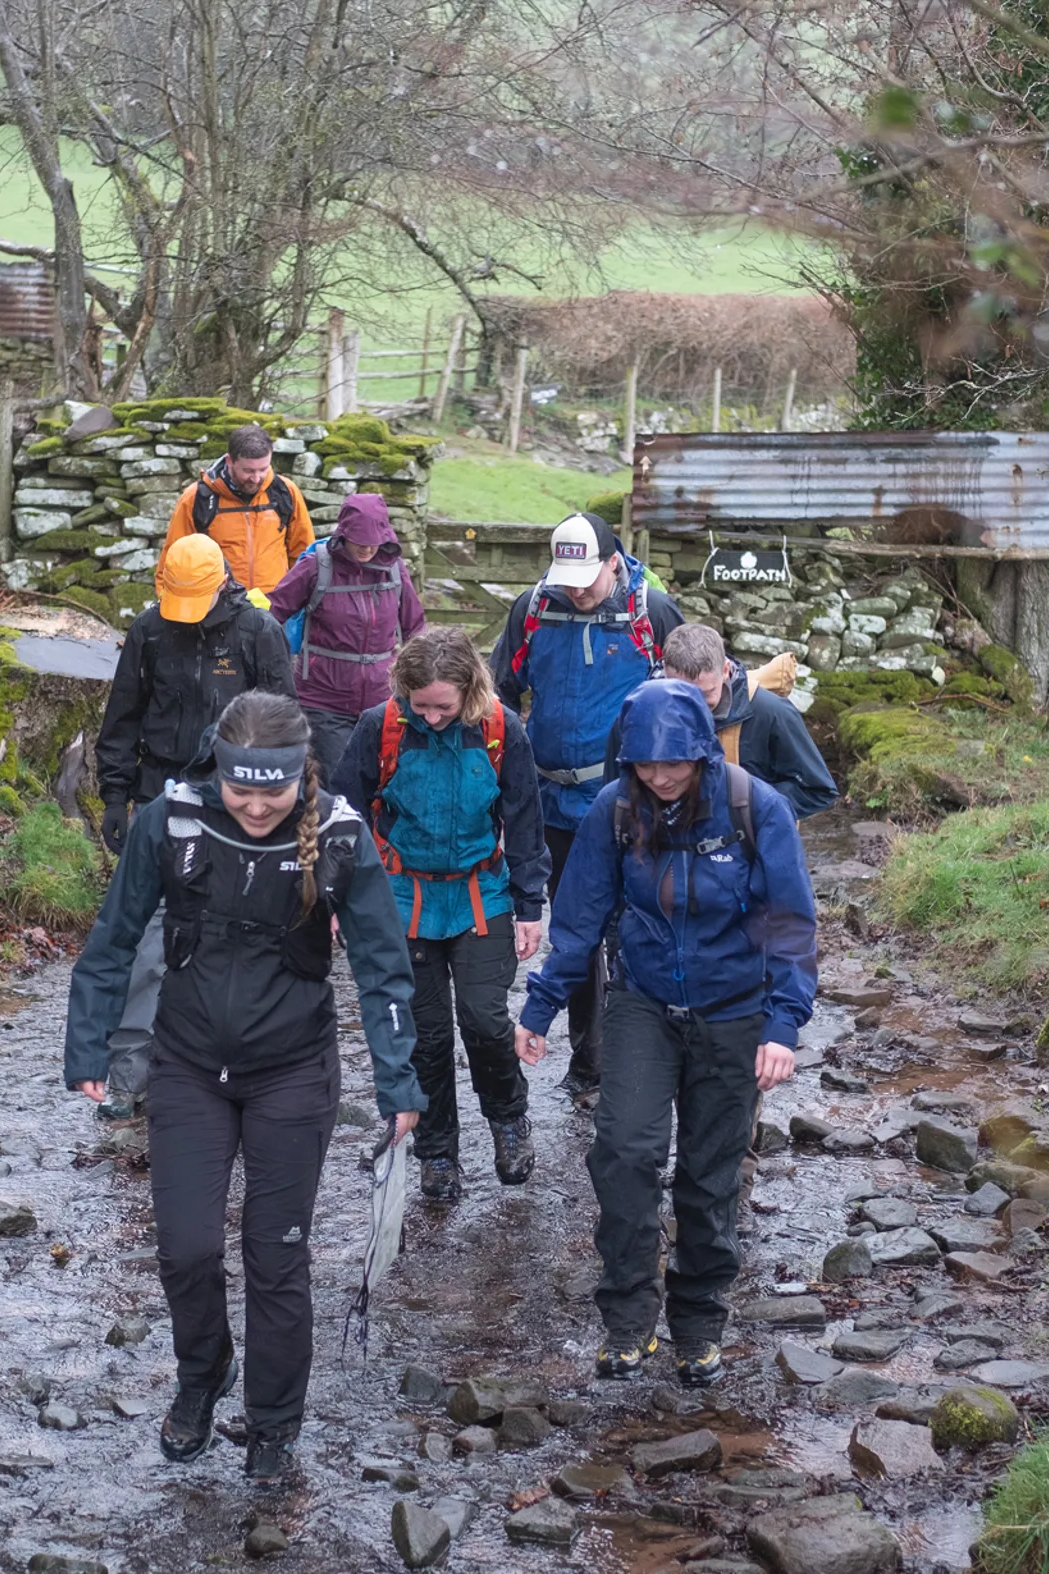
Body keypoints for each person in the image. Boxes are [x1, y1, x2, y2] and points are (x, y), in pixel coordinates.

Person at [65, 692, 425, 1483]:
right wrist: (87, 1044)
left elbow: (382, 967)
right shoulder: (173, 821)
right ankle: (203, 1375)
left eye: (275, 790)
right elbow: (114, 938)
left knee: (276, 1255)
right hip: (189, 1064)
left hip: (292, 1071)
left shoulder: (337, 836)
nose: (258, 806)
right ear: (218, 771)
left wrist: (400, 1084)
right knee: (187, 1249)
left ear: (304, 774)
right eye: (242, 789)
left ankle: (272, 1422)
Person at [514, 680, 817, 1388]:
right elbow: (580, 916)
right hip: (644, 1004)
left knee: (710, 1179)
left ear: (703, 752)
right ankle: (626, 1320)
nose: (660, 777)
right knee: (624, 1153)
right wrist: (539, 1009)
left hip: (736, 1012)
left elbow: (792, 925)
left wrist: (783, 1025)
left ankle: (699, 1324)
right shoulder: (614, 810)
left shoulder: (754, 809)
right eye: (646, 766)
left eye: (673, 764)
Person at [333, 626, 550, 1206]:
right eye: (419, 705)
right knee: (424, 1035)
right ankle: (436, 1153)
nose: (430, 717)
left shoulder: (504, 730)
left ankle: (508, 1120)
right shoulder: (378, 728)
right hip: (402, 898)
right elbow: (344, 816)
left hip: (483, 894)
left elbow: (525, 819)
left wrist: (531, 907)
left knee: (483, 1019)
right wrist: (339, 897)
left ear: (470, 692)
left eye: (443, 707)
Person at [92, 535, 295, 1118]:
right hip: (159, 798)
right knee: (149, 942)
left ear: (221, 585)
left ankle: (225, 1074)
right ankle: (129, 1075)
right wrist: (114, 796)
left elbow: (286, 725)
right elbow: (123, 717)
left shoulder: (259, 633)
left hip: (240, 806)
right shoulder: (149, 631)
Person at [490, 511, 683, 1105]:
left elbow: (683, 694)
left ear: (612, 561)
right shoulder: (534, 608)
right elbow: (500, 690)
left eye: (586, 576)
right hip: (550, 801)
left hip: (627, 803)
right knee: (576, 931)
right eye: (565, 575)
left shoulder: (650, 611)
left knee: (630, 929)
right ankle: (589, 1062)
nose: (575, 588)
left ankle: (632, 1059)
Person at [604, 625, 840, 820]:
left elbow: (817, 789)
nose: (693, 710)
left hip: (746, 854)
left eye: (705, 695)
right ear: (665, 673)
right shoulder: (636, 715)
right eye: (682, 697)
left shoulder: (770, 712)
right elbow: (618, 797)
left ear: (726, 670)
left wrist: (748, 809)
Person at [267, 492, 427, 778]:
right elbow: (272, 614)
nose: (367, 549)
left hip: (382, 699)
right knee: (339, 781)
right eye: (359, 542)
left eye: (373, 542)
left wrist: (420, 683)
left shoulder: (394, 570)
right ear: (344, 534)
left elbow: (415, 627)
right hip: (323, 700)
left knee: (383, 780)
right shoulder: (316, 566)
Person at [164, 423, 314, 596]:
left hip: (275, 608)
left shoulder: (286, 492)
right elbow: (173, 561)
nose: (256, 478)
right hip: (218, 608)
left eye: (263, 469)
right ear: (230, 461)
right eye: (248, 470)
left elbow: (304, 555)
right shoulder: (196, 498)